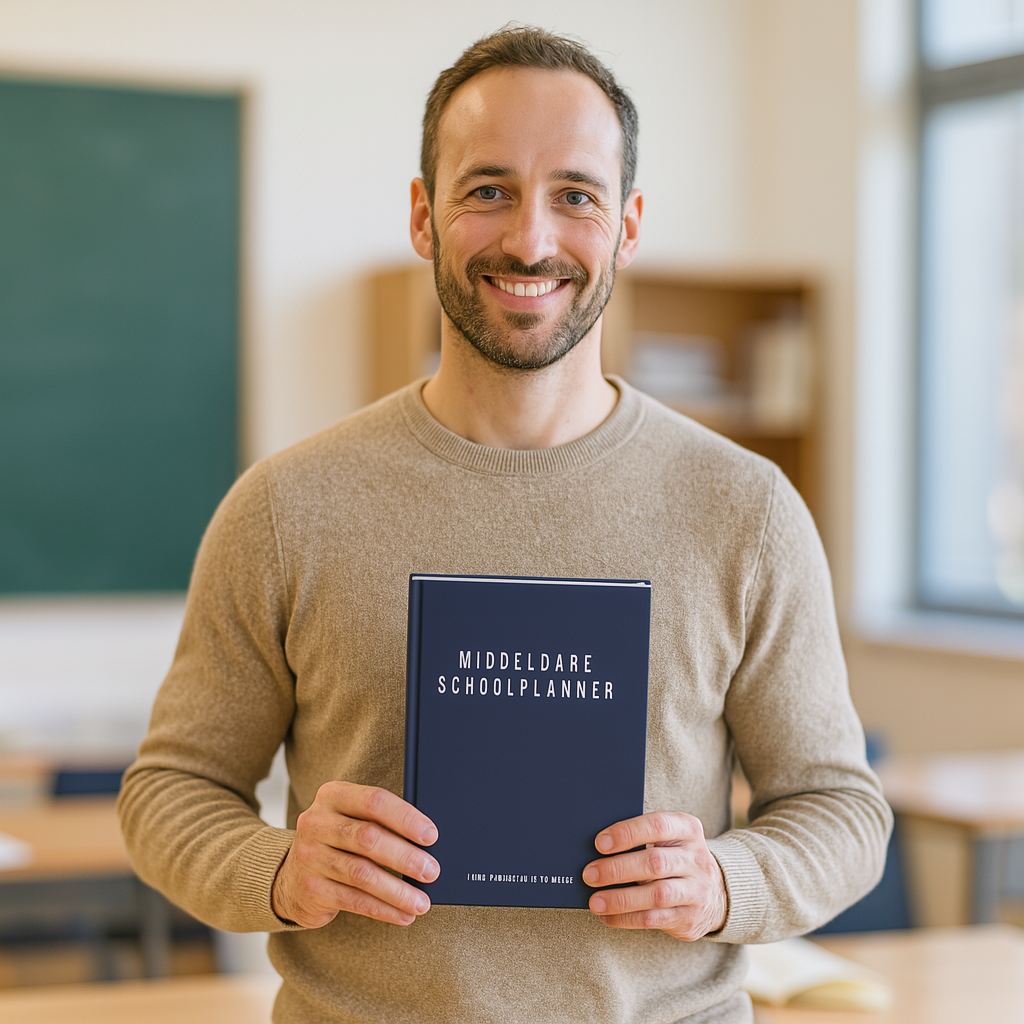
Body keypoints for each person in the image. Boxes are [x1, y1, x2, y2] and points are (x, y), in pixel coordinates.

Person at [119, 25, 891, 1024]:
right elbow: (169, 792)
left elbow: (842, 812)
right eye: (487, 188)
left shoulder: (746, 511)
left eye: (575, 193)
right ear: (422, 216)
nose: (530, 239)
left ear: (627, 224)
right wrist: (279, 870)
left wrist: (723, 883)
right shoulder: (284, 507)